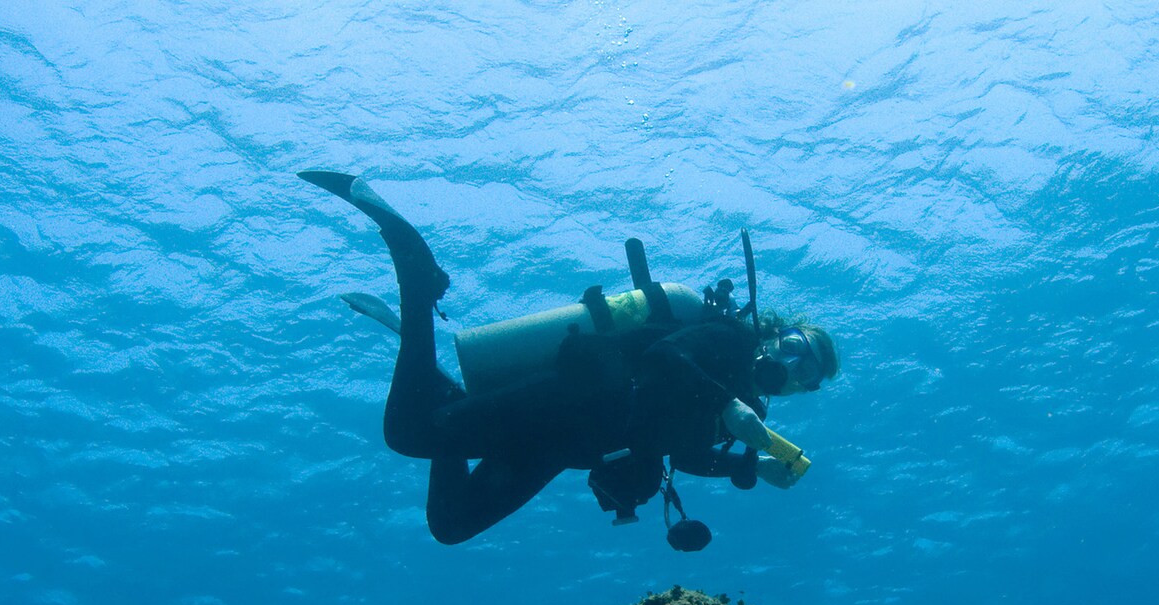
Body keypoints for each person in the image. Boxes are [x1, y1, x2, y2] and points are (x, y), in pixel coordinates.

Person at [300, 171, 840, 549]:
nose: (792, 367)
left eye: (805, 372)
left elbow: (686, 454)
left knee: (451, 523)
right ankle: (417, 279)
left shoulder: (747, 415)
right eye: (795, 348)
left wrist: (750, 465)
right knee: (408, 434)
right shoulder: (728, 338)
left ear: (803, 391)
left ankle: (445, 393)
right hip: (567, 400)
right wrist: (727, 405)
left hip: (565, 446)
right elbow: (664, 354)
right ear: (776, 334)